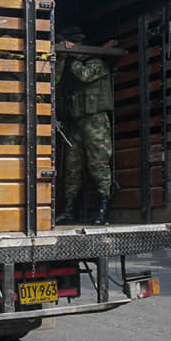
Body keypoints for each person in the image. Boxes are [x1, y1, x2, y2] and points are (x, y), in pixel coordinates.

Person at [54, 26, 117, 225]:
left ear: (78, 43)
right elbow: (55, 81)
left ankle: (103, 210)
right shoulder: (68, 65)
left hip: (95, 121)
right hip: (75, 122)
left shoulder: (96, 63)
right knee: (71, 167)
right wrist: (63, 58)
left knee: (98, 164)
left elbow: (85, 75)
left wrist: (70, 58)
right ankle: (69, 210)